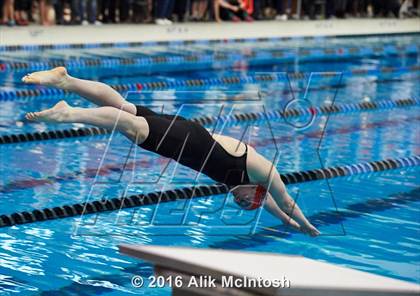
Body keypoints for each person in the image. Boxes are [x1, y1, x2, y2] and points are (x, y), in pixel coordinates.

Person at [22, 67, 320, 237]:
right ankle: (67, 113)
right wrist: (307, 225)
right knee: (131, 125)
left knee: (124, 108)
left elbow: (276, 210)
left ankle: (66, 81)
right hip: (187, 140)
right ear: (255, 192)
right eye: (246, 203)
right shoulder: (261, 171)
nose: (238, 203)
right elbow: (285, 200)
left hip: (184, 135)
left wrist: (288, 224)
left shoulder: (238, 184)